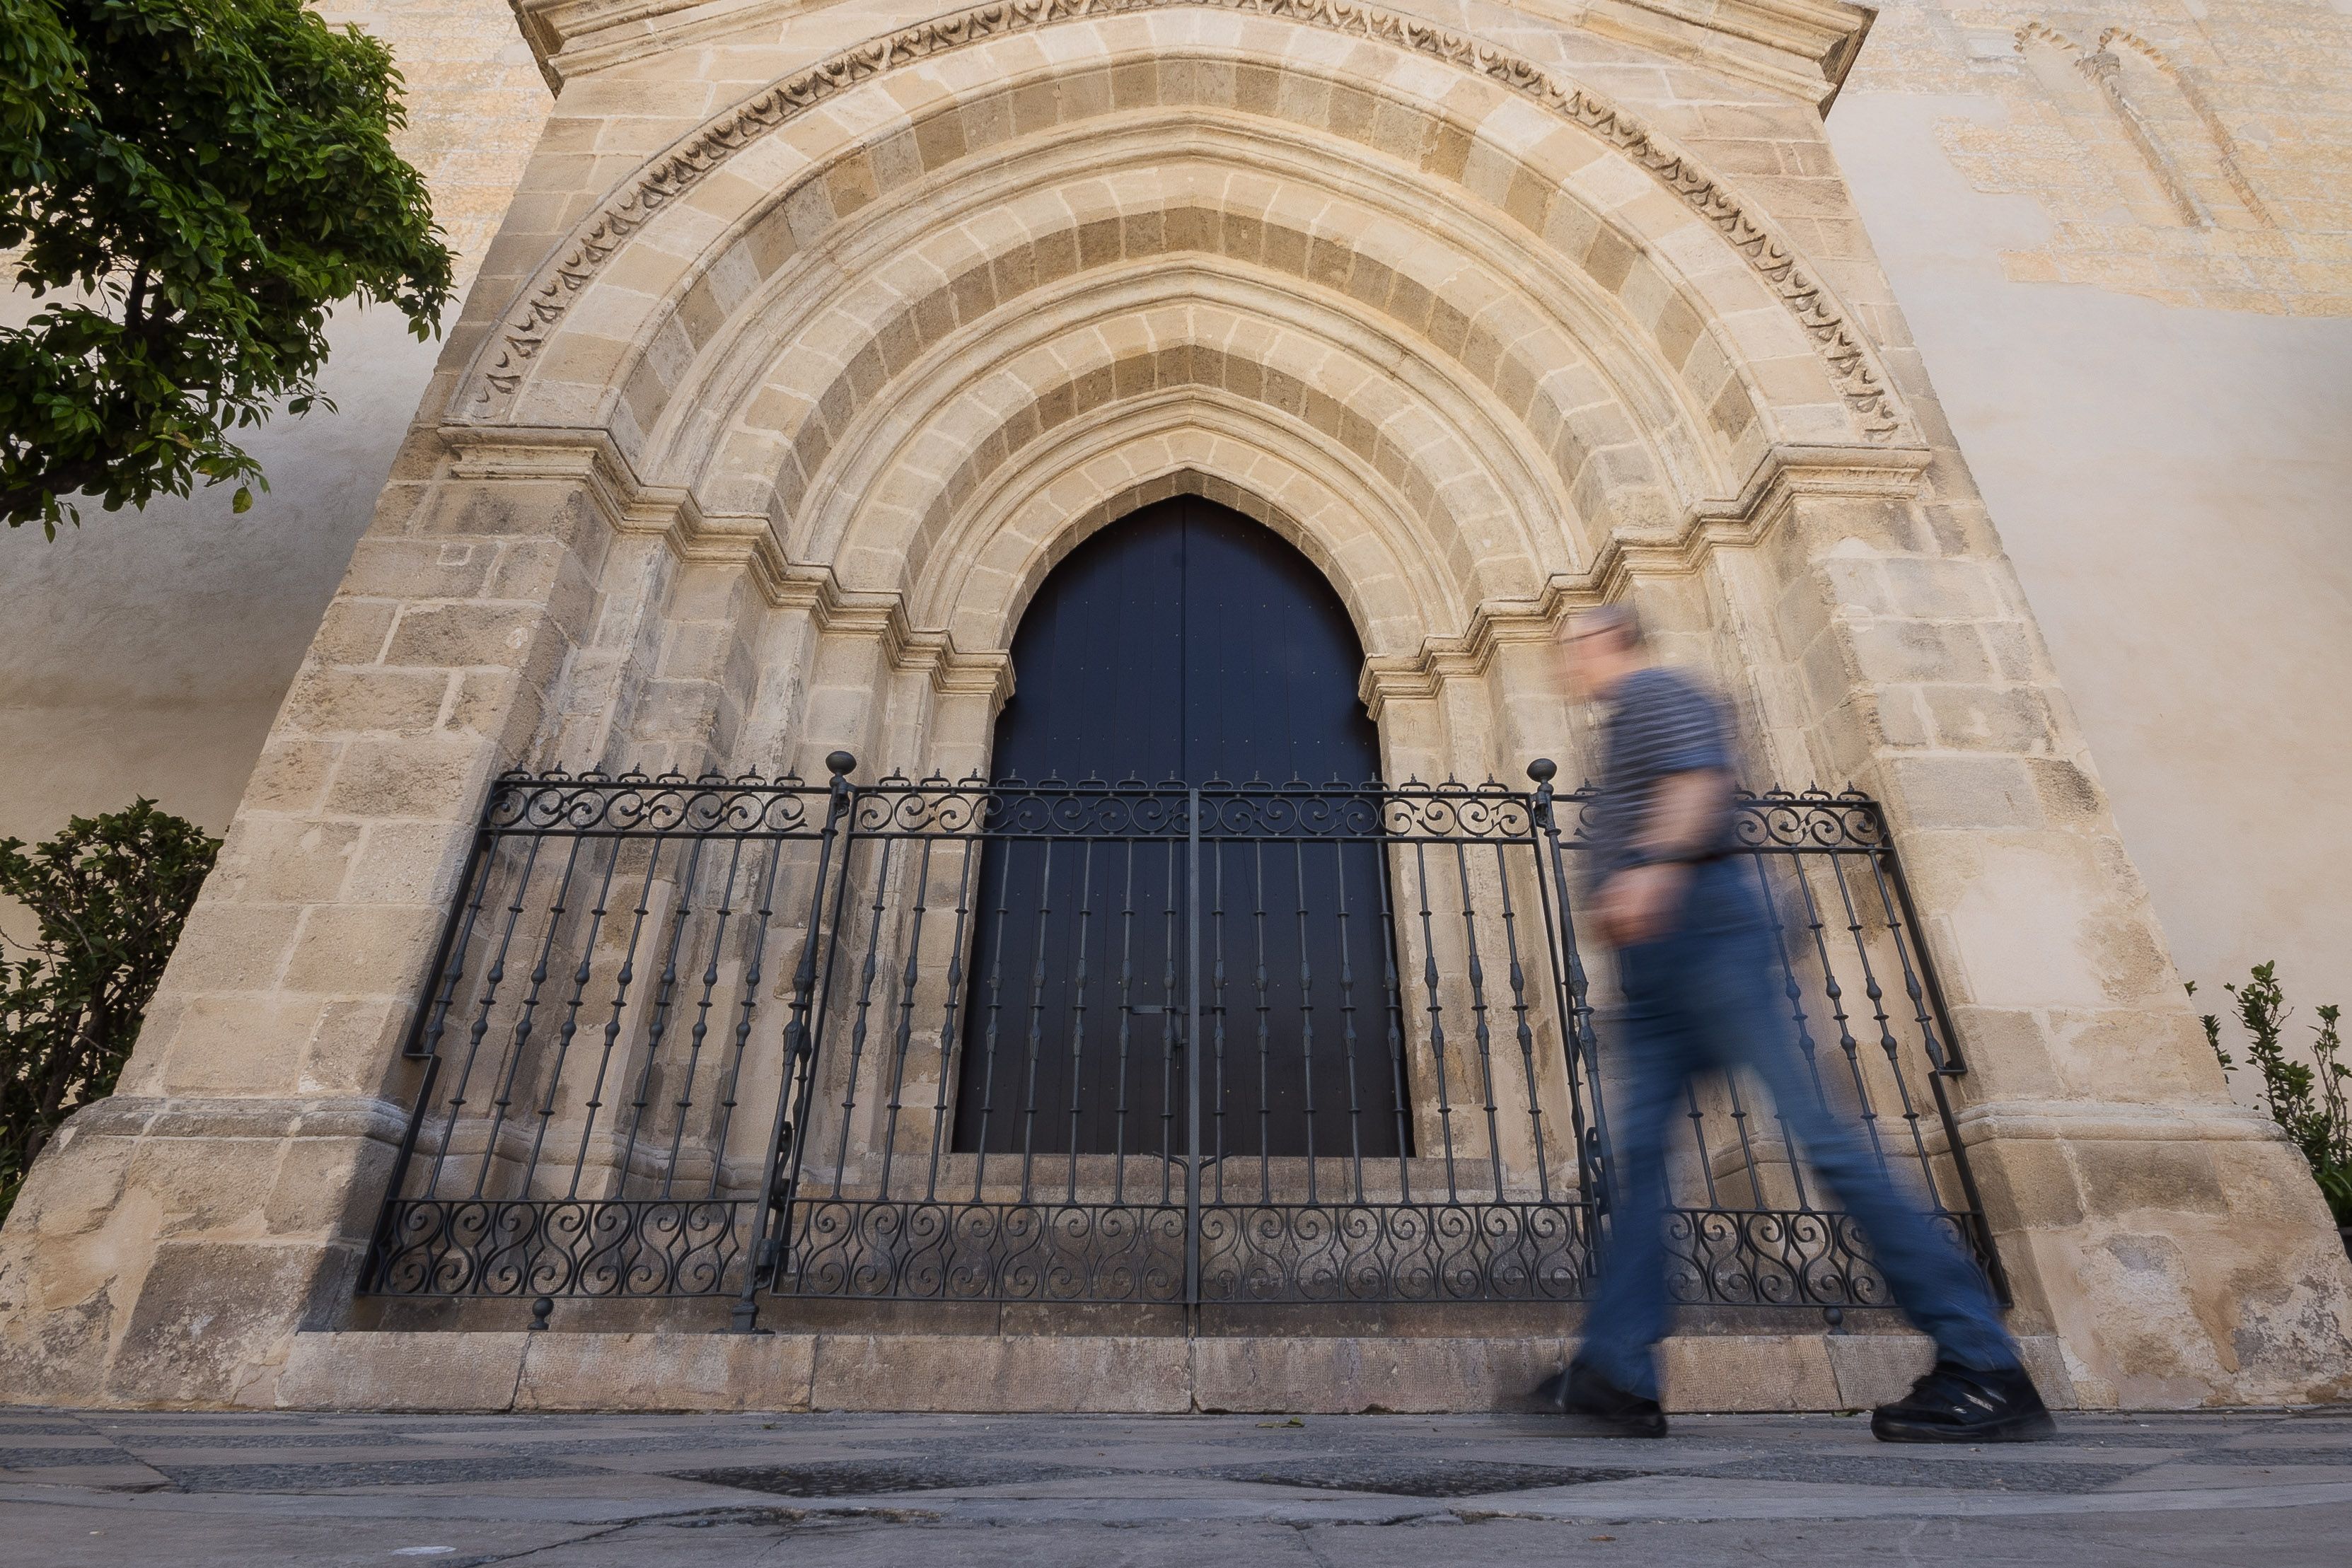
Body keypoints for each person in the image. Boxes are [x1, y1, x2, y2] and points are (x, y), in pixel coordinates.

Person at [1534, 605, 2052, 1444]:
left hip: (1710, 932)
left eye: (1573, 647)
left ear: (1607, 643)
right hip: (1666, 961)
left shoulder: (1658, 691)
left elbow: (1699, 782)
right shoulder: (1625, 718)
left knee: (1827, 1140)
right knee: (1639, 1160)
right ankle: (1616, 1369)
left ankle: (1982, 1362)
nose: (1565, 664)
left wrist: (1655, 872)